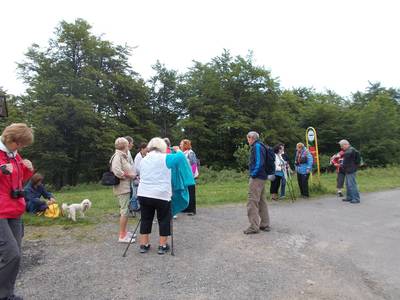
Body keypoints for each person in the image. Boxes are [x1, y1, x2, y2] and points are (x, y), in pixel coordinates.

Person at [0, 123, 34, 300]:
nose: (21, 147)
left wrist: (27, 169)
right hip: (0, 212)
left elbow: (19, 181)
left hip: (15, 208)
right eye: (20, 143)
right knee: (10, 253)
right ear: (11, 139)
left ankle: (7, 294)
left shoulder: (14, 155)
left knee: (16, 256)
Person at [137, 137, 188, 255]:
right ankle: (162, 245)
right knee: (164, 219)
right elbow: (181, 158)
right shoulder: (166, 157)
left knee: (145, 219)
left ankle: (144, 245)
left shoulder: (144, 159)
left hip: (144, 193)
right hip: (161, 194)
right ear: (162, 147)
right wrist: (178, 150)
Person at [244, 131, 271, 234]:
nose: (247, 140)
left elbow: (259, 162)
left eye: (248, 138)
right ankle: (265, 224)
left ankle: (253, 227)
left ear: (251, 138)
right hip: (262, 177)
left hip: (257, 177)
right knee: (261, 201)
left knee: (252, 201)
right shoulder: (261, 145)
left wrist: (253, 174)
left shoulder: (257, 146)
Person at [110, 137, 136, 243]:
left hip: (126, 186)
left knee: (125, 210)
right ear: (124, 146)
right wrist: (129, 175)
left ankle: (124, 232)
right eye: (127, 144)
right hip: (122, 188)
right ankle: (122, 236)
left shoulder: (123, 155)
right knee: (124, 211)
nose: (129, 145)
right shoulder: (117, 156)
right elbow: (116, 171)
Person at [179, 139, 198, 216]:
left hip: (190, 176)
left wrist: (192, 175)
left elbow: (194, 164)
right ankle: (187, 208)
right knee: (187, 192)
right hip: (186, 176)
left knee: (191, 192)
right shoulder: (183, 153)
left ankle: (192, 210)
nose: (180, 145)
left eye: (181, 144)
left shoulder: (191, 153)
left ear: (185, 145)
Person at [339, 139, 361, 204]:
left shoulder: (350, 151)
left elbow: (346, 162)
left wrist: (342, 166)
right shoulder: (350, 150)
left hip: (351, 170)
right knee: (348, 184)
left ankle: (356, 198)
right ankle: (349, 197)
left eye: (342, 146)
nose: (341, 147)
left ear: (346, 144)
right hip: (348, 169)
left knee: (352, 184)